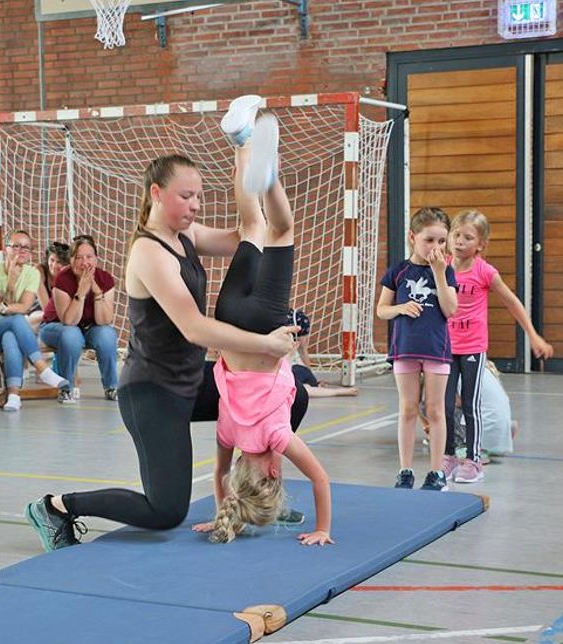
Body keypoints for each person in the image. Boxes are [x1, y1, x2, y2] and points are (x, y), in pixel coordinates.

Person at [24, 150, 298, 552]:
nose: (195, 205)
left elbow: (246, 234)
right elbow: (193, 327)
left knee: (294, 396)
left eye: (199, 196)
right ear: (156, 192)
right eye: (186, 196)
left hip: (190, 382)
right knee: (166, 511)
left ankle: (253, 488)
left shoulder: (185, 235)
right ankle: (57, 507)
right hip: (154, 393)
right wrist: (267, 344)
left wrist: (247, 163)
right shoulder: (148, 252)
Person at [191, 113, 332, 546]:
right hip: (231, 317)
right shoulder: (229, 433)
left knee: (281, 228)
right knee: (251, 226)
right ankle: (241, 141)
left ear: (272, 471)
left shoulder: (276, 436)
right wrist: (219, 516)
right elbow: (217, 473)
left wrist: (322, 529)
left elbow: (321, 479)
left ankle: (267, 174)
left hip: (265, 325)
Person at [444, 209, 552, 484]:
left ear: (480, 245)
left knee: (471, 403)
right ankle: (447, 457)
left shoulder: (485, 272)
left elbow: (512, 302)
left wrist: (533, 336)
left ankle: (473, 460)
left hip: (472, 347)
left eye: (468, 237)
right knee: (444, 405)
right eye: (456, 235)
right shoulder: (441, 266)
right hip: (444, 347)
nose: (459, 241)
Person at [376, 207, 458, 491]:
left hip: (436, 349)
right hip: (405, 349)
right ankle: (405, 470)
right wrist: (400, 307)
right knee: (408, 409)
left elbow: (450, 309)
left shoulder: (447, 271)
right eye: (429, 240)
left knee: (435, 410)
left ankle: (437, 472)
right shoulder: (398, 272)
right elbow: (381, 310)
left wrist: (438, 272)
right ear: (413, 237)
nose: (436, 247)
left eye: (441, 241)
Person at [0, 230, 70, 411]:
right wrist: (11, 282)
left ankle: (14, 396)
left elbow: (24, 307)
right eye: (16, 246)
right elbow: (1, 311)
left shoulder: (32, 273)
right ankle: (42, 368)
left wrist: (1, 307)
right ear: (5, 249)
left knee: (11, 336)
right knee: (16, 319)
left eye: (26, 247)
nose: (21, 251)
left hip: (9, 328)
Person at [38, 234, 119, 401]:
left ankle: (112, 387)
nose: (84, 263)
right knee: (71, 334)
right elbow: (69, 321)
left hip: (87, 329)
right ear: (72, 260)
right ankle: (65, 388)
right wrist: (81, 292)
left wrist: (97, 292)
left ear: (96, 259)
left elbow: (104, 321)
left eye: (89, 257)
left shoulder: (105, 279)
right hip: (55, 327)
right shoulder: (62, 278)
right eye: (78, 258)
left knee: (107, 334)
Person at [287, 308, 358, 398]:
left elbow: (302, 350)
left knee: (299, 388)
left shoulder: (297, 318)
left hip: (292, 369)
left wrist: (312, 379)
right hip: (278, 370)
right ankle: (319, 386)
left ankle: (318, 386)